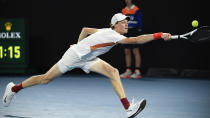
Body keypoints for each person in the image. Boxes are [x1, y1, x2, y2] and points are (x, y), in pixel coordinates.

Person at [2, 13, 171, 118]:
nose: (126, 23)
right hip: (74, 57)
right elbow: (136, 40)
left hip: (88, 58)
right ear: (114, 25)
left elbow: (85, 29)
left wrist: (78, 44)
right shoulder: (113, 35)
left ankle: (128, 108)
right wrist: (159, 35)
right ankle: (13, 89)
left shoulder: (106, 30)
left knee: (113, 72)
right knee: (45, 79)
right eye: (122, 22)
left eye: (127, 22)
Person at [120, 0, 143, 79]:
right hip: (126, 32)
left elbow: (139, 21)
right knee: (127, 51)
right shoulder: (124, 10)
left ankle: (137, 71)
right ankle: (128, 70)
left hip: (134, 31)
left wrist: (138, 30)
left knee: (135, 50)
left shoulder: (136, 9)